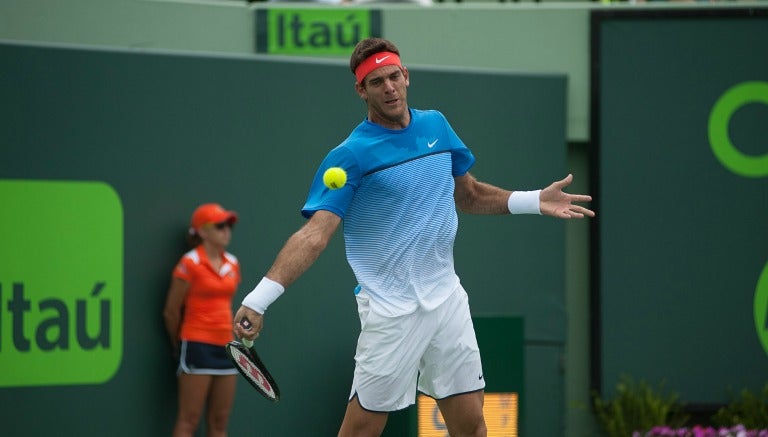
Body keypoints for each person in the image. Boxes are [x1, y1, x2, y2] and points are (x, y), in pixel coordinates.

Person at [233, 37, 595, 437]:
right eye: (376, 82)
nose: (388, 87)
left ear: (406, 76)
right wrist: (258, 299)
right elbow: (315, 236)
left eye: (393, 76)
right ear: (361, 90)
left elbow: (468, 194)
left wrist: (533, 200)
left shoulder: (435, 126)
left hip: (446, 300)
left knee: (473, 425)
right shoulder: (350, 155)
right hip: (391, 310)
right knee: (362, 430)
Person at [164, 203, 241, 437]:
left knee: (219, 423)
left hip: (227, 346)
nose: (226, 231)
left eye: (228, 225)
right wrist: (178, 342)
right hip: (196, 343)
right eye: (219, 226)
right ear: (203, 231)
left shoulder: (233, 264)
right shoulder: (189, 263)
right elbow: (171, 311)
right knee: (190, 419)